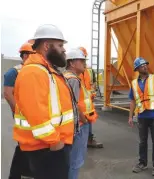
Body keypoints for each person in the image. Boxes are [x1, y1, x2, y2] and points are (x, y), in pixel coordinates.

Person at [13, 24, 78, 179]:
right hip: (46, 148)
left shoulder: (47, 70)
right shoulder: (34, 72)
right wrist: (55, 142)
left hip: (49, 146)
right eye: (60, 45)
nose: (64, 50)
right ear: (47, 46)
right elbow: (37, 117)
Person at [4, 42, 35, 179]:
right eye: (33, 54)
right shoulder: (14, 72)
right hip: (22, 115)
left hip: (32, 114)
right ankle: (15, 174)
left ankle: (26, 170)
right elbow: (7, 93)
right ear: (25, 55)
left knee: (29, 144)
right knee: (23, 144)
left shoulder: (33, 70)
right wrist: (18, 111)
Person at [64, 49, 97, 179]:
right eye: (82, 61)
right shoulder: (73, 79)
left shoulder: (65, 76)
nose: (85, 64)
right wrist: (84, 119)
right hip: (79, 124)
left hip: (71, 124)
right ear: (72, 63)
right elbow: (74, 105)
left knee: (70, 160)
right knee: (76, 161)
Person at [78, 46, 103, 148]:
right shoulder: (74, 72)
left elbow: (92, 84)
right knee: (80, 122)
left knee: (89, 120)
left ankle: (89, 139)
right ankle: (82, 140)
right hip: (79, 102)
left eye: (84, 58)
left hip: (88, 102)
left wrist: (93, 94)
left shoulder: (89, 71)